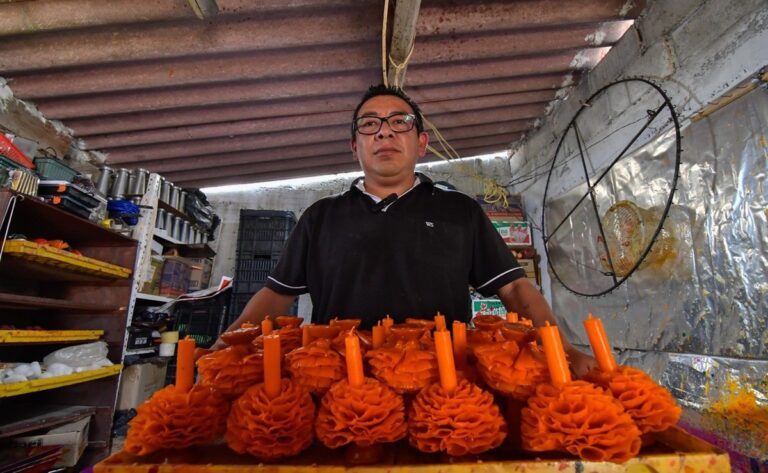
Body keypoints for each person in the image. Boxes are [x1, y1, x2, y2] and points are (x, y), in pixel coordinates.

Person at [212, 84, 595, 376]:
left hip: (443, 383)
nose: (384, 132)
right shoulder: (320, 217)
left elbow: (514, 288)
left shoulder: (459, 211)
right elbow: (276, 297)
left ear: (422, 143)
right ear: (355, 146)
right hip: (338, 383)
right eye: (370, 124)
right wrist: (223, 345)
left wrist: (565, 349)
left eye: (400, 122)